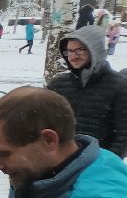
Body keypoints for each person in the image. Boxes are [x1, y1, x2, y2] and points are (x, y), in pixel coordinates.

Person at [45, 25, 127, 155]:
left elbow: (123, 136)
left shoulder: (119, 86)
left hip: (98, 165)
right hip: (60, 165)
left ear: (95, 51)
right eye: (69, 51)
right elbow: (42, 123)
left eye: (80, 50)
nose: (73, 56)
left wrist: (104, 164)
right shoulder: (58, 84)